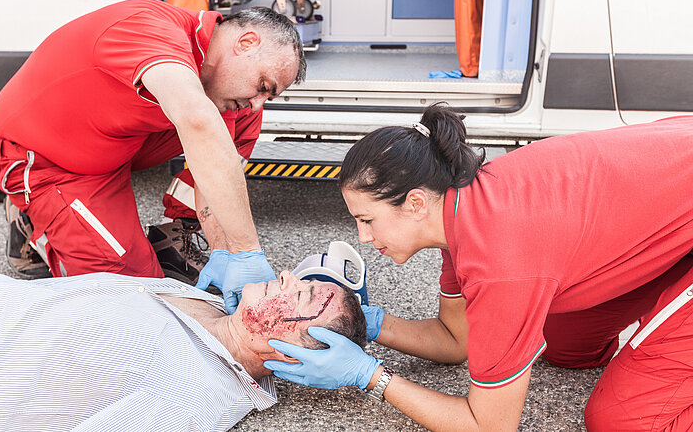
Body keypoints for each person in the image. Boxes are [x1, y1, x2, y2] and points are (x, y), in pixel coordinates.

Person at [263, 104, 693, 431]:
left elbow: (488, 425)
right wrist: (368, 323)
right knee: (566, 347)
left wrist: (370, 376)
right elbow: (457, 341)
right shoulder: (458, 206)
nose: (362, 238)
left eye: (367, 220)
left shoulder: (501, 265)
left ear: (415, 203)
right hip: (677, 188)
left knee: (626, 419)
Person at [0, 0, 306, 313]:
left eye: (270, 95)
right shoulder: (148, 29)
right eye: (263, 85)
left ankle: (174, 236)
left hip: (110, 144)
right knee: (133, 297)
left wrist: (224, 253)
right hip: (46, 156)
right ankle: (32, 220)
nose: (259, 103)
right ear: (246, 43)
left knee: (235, 124)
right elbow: (196, 119)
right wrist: (247, 252)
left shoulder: (230, 95)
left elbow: (215, 163)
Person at [0, 270, 365, 431]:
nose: (285, 277)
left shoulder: (194, 401)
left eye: (299, 296)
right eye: (302, 281)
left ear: (292, 355)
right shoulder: (213, 305)